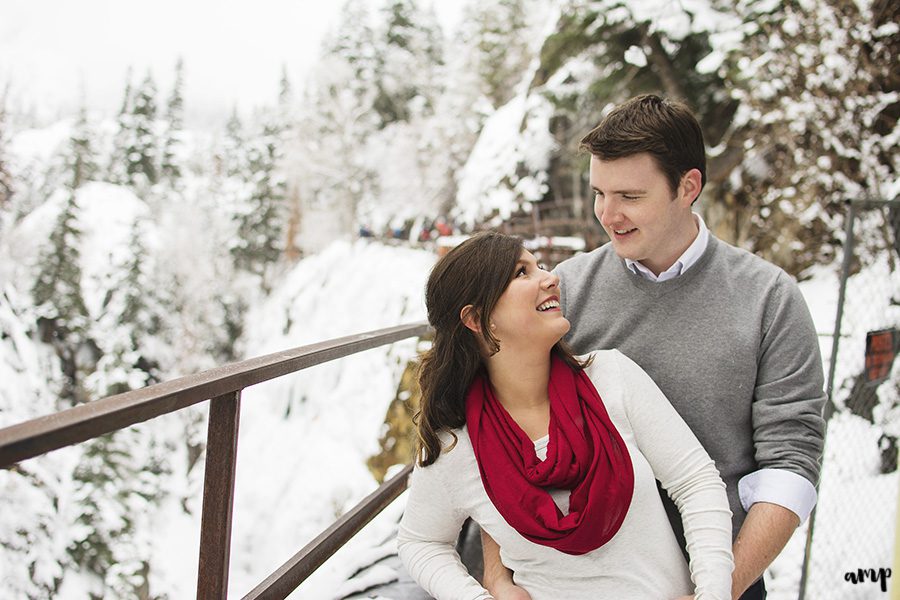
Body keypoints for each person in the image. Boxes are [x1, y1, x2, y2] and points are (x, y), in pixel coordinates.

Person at [481, 94, 827, 599]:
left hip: (720, 573)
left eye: (630, 196)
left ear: (688, 187)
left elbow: (789, 465)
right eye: (599, 192)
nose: (608, 214)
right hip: (581, 578)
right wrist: (496, 574)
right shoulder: (563, 292)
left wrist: (717, 588)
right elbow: (500, 434)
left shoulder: (770, 299)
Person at [397, 231, 734, 599]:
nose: (550, 277)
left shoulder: (612, 377)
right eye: (522, 273)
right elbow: (420, 542)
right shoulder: (456, 446)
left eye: (539, 266)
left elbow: (696, 483)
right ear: (477, 319)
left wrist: (713, 593)